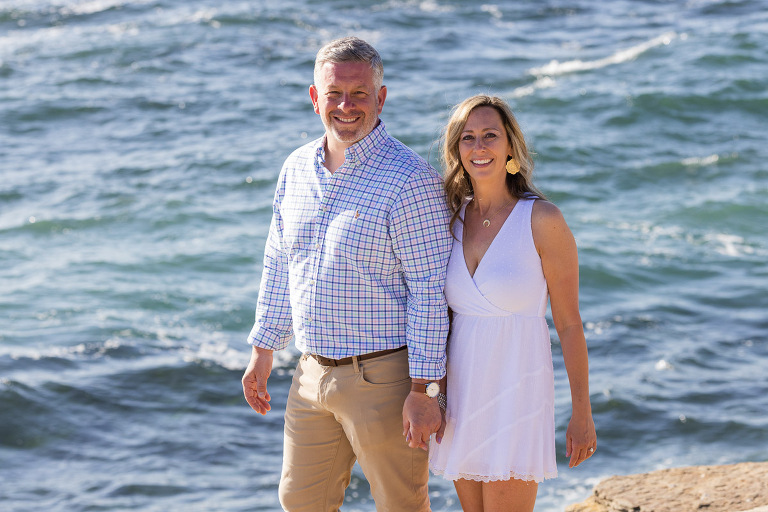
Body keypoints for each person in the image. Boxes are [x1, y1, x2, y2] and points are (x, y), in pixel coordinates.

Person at [241, 36, 453, 512]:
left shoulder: (410, 180)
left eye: (359, 94)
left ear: (381, 98)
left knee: (401, 505)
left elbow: (429, 293)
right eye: (334, 93)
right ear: (315, 98)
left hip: (384, 379)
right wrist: (263, 350)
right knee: (300, 502)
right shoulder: (295, 169)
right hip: (310, 373)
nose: (346, 106)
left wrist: (425, 389)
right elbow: (279, 261)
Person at [428, 95, 597, 512]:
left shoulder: (542, 220)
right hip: (462, 394)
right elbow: (440, 317)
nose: (479, 147)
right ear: (457, 151)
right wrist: (434, 394)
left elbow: (570, 323)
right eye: (468, 138)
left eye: (490, 135)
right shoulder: (449, 217)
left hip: (517, 389)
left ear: (510, 147)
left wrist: (582, 412)